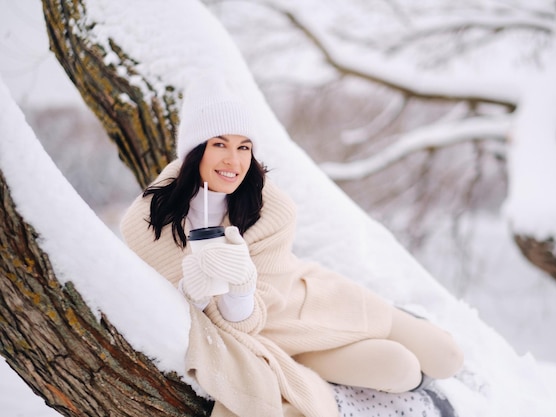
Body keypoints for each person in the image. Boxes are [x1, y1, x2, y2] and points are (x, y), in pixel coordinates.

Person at [120, 75, 464, 417]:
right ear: (195, 152)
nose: (234, 161)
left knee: (447, 357)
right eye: (219, 144)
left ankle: (403, 325)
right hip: (260, 341)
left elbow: (272, 288)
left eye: (244, 147)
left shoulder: (271, 207)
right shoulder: (148, 223)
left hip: (305, 303)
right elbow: (186, 320)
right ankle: (402, 402)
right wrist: (196, 294)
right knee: (399, 368)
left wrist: (241, 287)